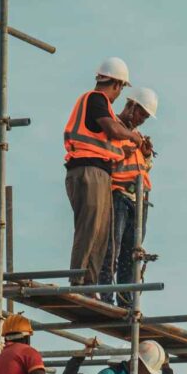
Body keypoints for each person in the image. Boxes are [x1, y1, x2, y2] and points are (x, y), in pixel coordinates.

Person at [64, 58, 145, 287]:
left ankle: (89, 284)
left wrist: (132, 146)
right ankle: (78, 282)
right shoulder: (96, 99)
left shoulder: (102, 107)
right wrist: (132, 136)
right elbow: (112, 129)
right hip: (87, 170)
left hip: (98, 172)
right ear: (118, 84)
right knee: (89, 229)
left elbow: (109, 143)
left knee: (101, 234)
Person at [98, 88, 158, 307]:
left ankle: (125, 302)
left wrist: (147, 154)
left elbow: (143, 168)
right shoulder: (112, 127)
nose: (142, 119)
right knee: (111, 249)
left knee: (131, 255)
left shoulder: (137, 136)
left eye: (145, 116)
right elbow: (105, 158)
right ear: (131, 105)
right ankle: (105, 297)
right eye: (141, 113)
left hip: (138, 200)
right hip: (118, 195)